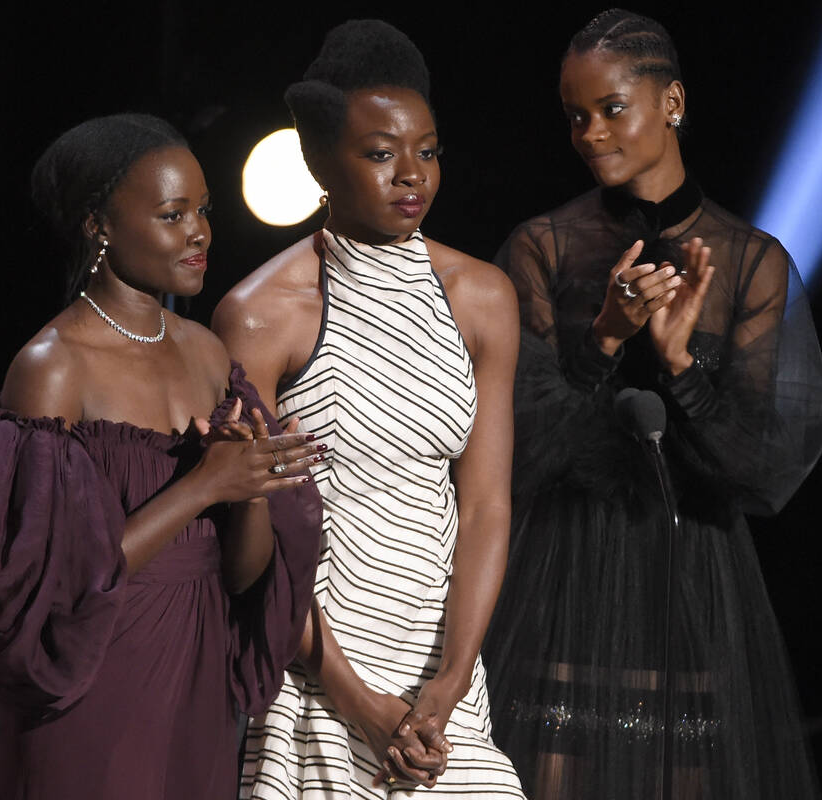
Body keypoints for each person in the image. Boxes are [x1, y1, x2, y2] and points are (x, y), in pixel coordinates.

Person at [481, 8, 822, 799]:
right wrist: (604, 339)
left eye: (613, 108)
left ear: (672, 102)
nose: (591, 133)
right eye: (576, 115)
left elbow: (763, 469)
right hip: (563, 570)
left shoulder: (751, 261)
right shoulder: (543, 245)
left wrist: (681, 364)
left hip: (694, 578)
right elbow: (516, 447)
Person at [0, 113, 324, 800]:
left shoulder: (208, 353)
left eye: (203, 210)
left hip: (199, 683)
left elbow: (241, 578)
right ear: (100, 225)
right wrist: (202, 487)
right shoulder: (53, 367)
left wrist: (250, 490)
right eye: (171, 214)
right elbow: (48, 589)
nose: (200, 233)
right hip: (93, 688)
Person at [212, 20, 525, 799]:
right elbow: (255, 537)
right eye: (381, 155)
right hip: (317, 678)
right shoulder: (261, 314)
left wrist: (447, 688)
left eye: (427, 150)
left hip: (439, 683)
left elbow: (485, 505)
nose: (411, 175)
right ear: (319, 162)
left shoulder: (481, 299)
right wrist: (357, 702)